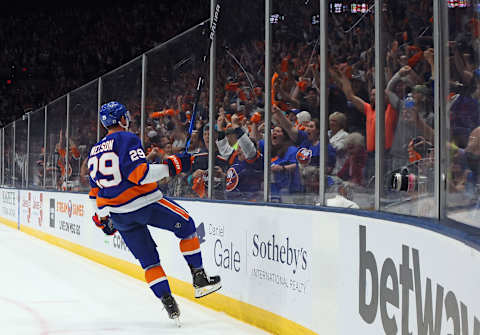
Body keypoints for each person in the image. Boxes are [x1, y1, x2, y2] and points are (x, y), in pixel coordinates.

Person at [88, 101, 221, 323]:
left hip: (118, 215)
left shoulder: (94, 150)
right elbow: (141, 174)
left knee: (149, 262)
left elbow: (94, 194)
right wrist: (173, 165)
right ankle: (199, 278)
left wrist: (102, 219)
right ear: (122, 119)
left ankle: (169, 304)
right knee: (187, 226)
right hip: (145, 203)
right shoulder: (127, 138)